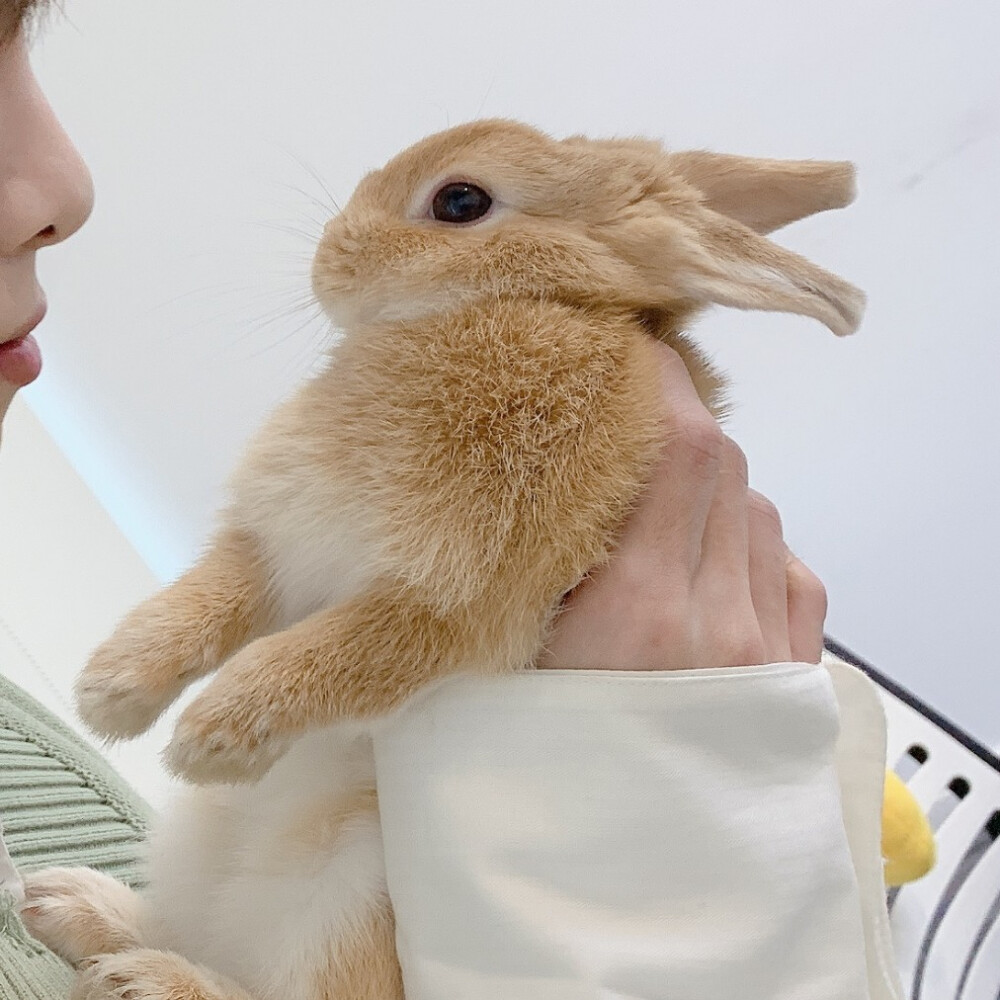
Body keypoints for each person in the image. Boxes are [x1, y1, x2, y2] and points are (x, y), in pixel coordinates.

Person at [0, 2, 899, 998]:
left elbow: (450, 605)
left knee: (368, 840)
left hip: (430, 828)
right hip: (351, 782)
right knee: (269, 808)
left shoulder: (566, 383)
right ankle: (196, 944)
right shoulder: (387, 375)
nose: (65, 191)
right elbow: (271, 544)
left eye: (458, 205)